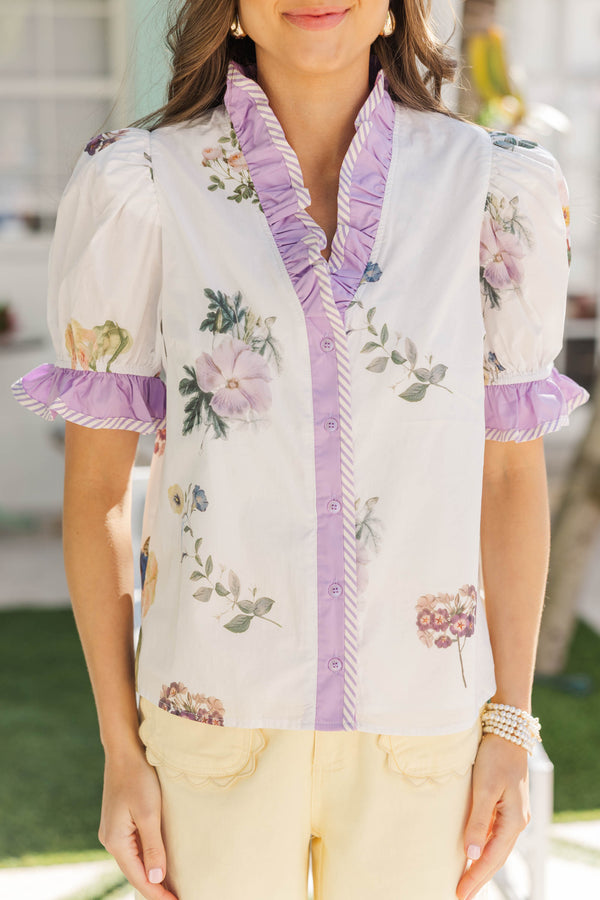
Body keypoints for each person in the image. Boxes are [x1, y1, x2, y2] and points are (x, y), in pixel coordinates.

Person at [12, 2, 590, 899]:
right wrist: (121, 752)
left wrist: (511, 728)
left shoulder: (494, 187)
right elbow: (97, 499)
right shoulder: (142, 183)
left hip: (425, 726)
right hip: (209, 723)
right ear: (231, 9)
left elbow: (509, 476)